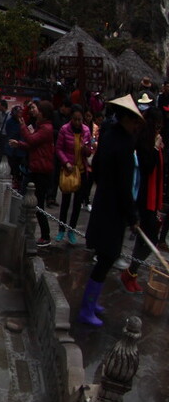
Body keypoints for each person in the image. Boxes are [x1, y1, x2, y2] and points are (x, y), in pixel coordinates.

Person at [80, 95, 145, 326]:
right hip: (114, 209)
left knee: (104, 257)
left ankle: (91, 302)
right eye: (135, 121)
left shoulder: (109, 136)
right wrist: (132, 215)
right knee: (107, 258)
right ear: (126, 118)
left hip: (103, 201)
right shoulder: (125, 144)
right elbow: (125, 185)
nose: (136, 126)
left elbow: (97, 167)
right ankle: (87, 308)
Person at [120, 106, 164, 293]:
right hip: (142, 197)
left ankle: (132, 273)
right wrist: (155, 148)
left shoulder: (152, 140)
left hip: (152, 198)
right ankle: (130, 273)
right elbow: (146, 168)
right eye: (157, 125)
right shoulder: (142, 142)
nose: (159, 129)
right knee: (149, 238)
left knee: (146, 238)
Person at [10, 100, 56, 247]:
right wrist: (19, 144)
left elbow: (31, 140)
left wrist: (23, 126)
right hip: (35, 168)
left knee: (38, 204)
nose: (35, 112)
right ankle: (25, 230)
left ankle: (45, 235)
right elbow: (32, 145)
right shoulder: (40, 126)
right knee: (27, 199)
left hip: (41, 171)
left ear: (44, 113)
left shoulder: (46, 128)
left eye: (38, 110)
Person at [55, 105, 94, 244]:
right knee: (65, 201)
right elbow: (58, 149)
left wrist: (86, 149)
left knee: (77, 203)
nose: (77, 122)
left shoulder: (86, 131)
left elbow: (90, 150)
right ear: (71, 118)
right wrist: (66, 162)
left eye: (80, 119)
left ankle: (72, 230)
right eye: (75, 119)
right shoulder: (64, 129)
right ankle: (61, 229)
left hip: (81, 170)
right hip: (69, 170)